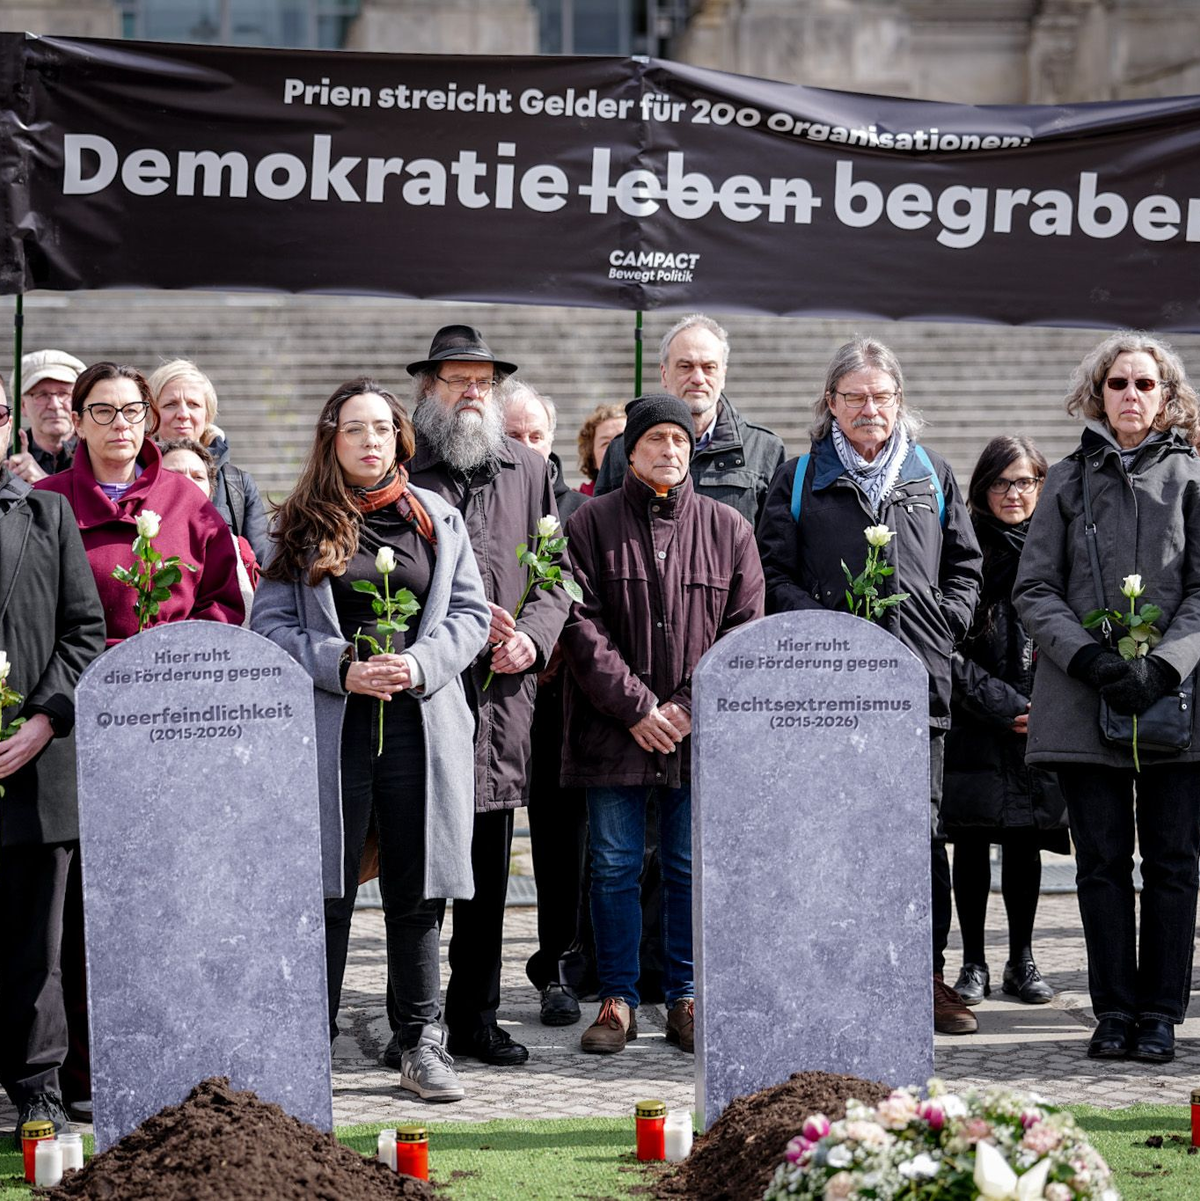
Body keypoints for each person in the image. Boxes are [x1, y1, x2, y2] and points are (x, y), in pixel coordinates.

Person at [254, 377, 490, 1102]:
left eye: (382, 429)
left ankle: (421, 1040)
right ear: (332, 438)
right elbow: (267, 626)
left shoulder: (436, 518)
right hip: (335, 730)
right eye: (355, 429)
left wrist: (418, 664)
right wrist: (340, 667)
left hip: (420, 725)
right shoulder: (294, 523)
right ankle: (305, 1039)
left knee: (417, 889)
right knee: (326, 885)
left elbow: (473, 615)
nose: (370, 441)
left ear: (400, 438)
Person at [756, 335, 982, 1035]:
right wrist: (829, 631)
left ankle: (925, 977)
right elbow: (771, 574)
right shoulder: (798, 476)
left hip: (918, 691)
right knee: (829, 837)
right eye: (853, 397)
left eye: (881, 396)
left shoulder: (930, 472)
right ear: (830, 404)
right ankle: (833, 976)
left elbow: (967, 568)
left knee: (917, 839)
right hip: (828, 695)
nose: (868, 408)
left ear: (898, 402)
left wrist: (945, 622)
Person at [1014, 332, 1200, 1064]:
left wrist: (1165, 664)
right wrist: (1087, 655)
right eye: (1118, 383)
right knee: (1099, 861)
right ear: (1098, 393)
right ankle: (1113, 1009)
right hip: (1083, 699)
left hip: (1177, 701)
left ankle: (1160, 1011)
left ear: (1166, 396)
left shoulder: (1192, 474)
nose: (1131, 395)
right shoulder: (1064, 477)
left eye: (1145, 384)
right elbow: (1034, 586)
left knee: (1174, 860)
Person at [560, 394, 765, 1054]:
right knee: (615, 865)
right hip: (613, 729)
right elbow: (578, 623)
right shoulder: (589, 523)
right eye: (656, 441)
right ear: (632, 449)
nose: (669, 450)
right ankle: (618, 999)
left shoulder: (728, 527)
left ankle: (686, 996)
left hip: (694, 735)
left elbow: (744, 626)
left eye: (680, 440)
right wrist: (638, 708)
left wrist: (683, 706)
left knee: (687, 866)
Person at [401, 325, 570, 1069]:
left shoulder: (530, 468)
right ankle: (417, 1026)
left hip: (503, 698)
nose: (472, 393)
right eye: (456, 380)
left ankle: (477, 1015)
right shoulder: (403, 467)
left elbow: (559, 575)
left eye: (482, 381)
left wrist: (532, 636)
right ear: (428, 389)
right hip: (424, 697)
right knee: (419, 874)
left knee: (490, 877)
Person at [0, 383, 107, 1140]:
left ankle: (38, 1086)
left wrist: (43, 721)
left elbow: (83, 631)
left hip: (33, 770)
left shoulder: (48, 512)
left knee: (39, 945)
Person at [944, 436, 1068, 1009]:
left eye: (1025, 482)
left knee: (1026, 841)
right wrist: (997, 702)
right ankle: (973, 962)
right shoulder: (962, 547)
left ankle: (1023, 959)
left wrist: (1043, 704)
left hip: (1041, 718)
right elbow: (941, 644)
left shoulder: (1059, 545)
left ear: (1043, 486)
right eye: (1001, 482)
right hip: (977, 716)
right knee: (970, 842)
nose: (1013, 494)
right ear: (982, 489)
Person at [35, 362, 245, 641]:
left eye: (132, 411)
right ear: (78, 424)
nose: (120, 423)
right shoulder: (44, 502)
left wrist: (178, 653)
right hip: (73, 673)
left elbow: (222, 601)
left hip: (174, 668)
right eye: (103, 412)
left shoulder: (187, 500)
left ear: (146, 419)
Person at [504, 381, 589, 1026]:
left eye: (537, 436)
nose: (527, 447)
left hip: (560, 699)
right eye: (515, 436)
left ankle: (558, 965)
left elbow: (577, 589)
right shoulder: (479, 499)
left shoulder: (573, 510)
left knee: (562, 841)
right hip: (491, 693)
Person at [593, 314, 785, 526]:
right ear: (664, 374)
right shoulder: (622, 448)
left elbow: (772, 546)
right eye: (685, 366)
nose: (698, 378)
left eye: (709, 367)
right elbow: (601, 529)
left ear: (723, 375)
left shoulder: (765, 448)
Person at [147, 359, 270, 562]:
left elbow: (263, 560)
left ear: (207, 415)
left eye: (194, 404)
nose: (183, 414)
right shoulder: (134, 473)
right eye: (170, 404)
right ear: (152, 414)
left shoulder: (237, 484)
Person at [159, 437, 260, 623]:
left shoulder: (227, 546)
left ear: (211, 491)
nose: (188, 483)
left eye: (198, 477)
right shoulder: (135, 537)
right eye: (175, 474)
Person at [5, 349, 86, 482]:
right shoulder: (7, 463)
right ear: (22, 406)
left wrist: (43, 483)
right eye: (42, 395)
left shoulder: (99, 455)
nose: (54, 405)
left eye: (64, 393)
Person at [576, 403, 626, 497]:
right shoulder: (577, 505)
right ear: (592, 457)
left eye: (623, 440)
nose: (615, 448)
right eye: (606, 443)